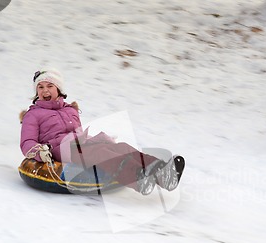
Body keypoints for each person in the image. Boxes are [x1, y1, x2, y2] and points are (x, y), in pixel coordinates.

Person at [20, 68, 180, 194]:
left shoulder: (70, 110)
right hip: (59, 149)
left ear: (58, 89)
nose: (44, 90)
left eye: (49, 86)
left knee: (121, 147)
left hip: (79, 143)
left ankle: (161, 171)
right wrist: (39, 152)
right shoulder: (33, 114)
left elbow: (77, 132)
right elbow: (27, 142)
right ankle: (137, 178)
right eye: (40, 87)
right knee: (101, 152)